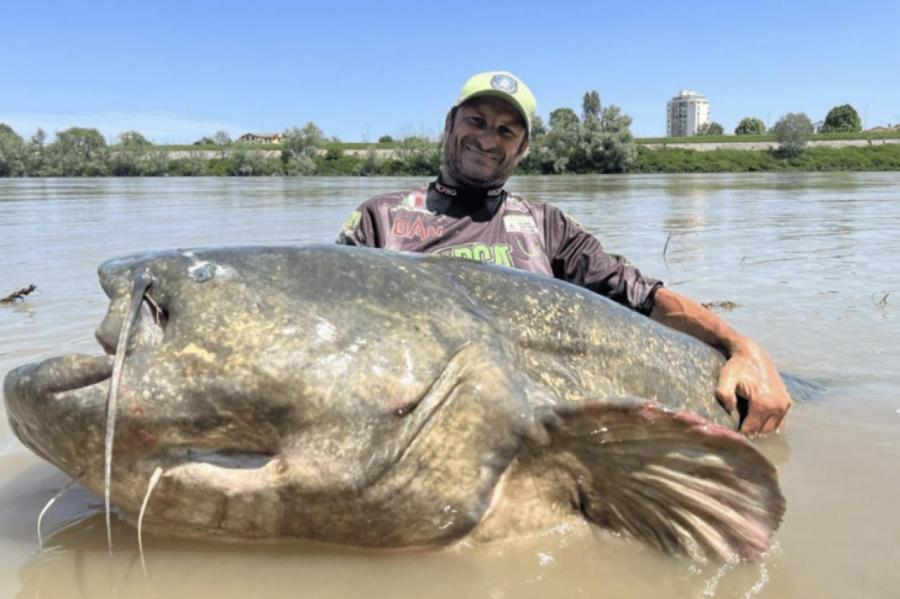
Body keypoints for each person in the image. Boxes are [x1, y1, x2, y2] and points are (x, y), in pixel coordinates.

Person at [337, 70, 791, 436]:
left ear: (524, 148)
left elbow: (643, 297)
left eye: (506, 130)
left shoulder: (547, 226)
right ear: (450, 124)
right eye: (476, 121)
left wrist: (742, 346)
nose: (488, 140)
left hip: (531, 428)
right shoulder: (380, 218)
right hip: (414, 425)